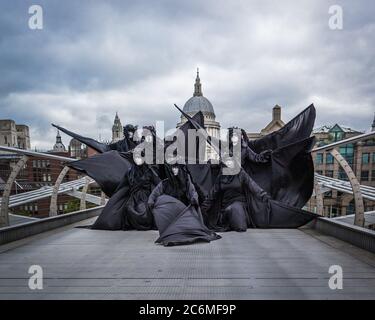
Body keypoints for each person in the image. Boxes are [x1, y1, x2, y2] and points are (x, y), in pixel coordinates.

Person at [147, 163, 221, 246]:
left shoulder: (185, 181)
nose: (174, 170)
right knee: (161, 199)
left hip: (183, 211)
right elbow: (154, 194)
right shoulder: (165, 183)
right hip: (171, 213)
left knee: (191, 229)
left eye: (176, 168)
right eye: (172, 168)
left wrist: (194, 199)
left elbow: (192, 191)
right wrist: (151, 201)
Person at [90, 152, 160, 230]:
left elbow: (159, 184)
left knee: (143, 209)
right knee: (130, 208)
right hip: (134, 197)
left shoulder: (149, 171)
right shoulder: (130, 172)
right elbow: (122, 186)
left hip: (146, 196)